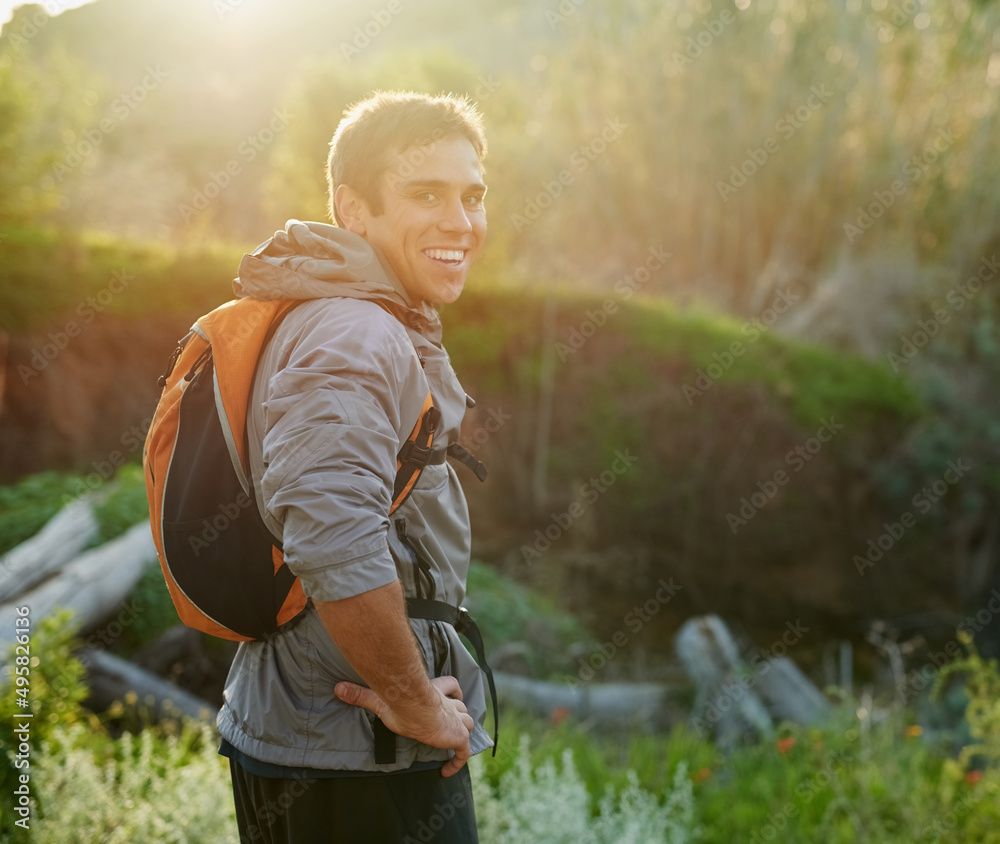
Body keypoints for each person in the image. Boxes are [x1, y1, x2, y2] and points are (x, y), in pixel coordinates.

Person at [216, 90, 493, 843]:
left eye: (472, 196)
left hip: (328, 743)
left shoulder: (349, 314)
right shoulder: (355, 332)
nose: (460, 222)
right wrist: (413, 702)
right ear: (354, 209)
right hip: (350, 756)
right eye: (425, 193)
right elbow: (330, 529)